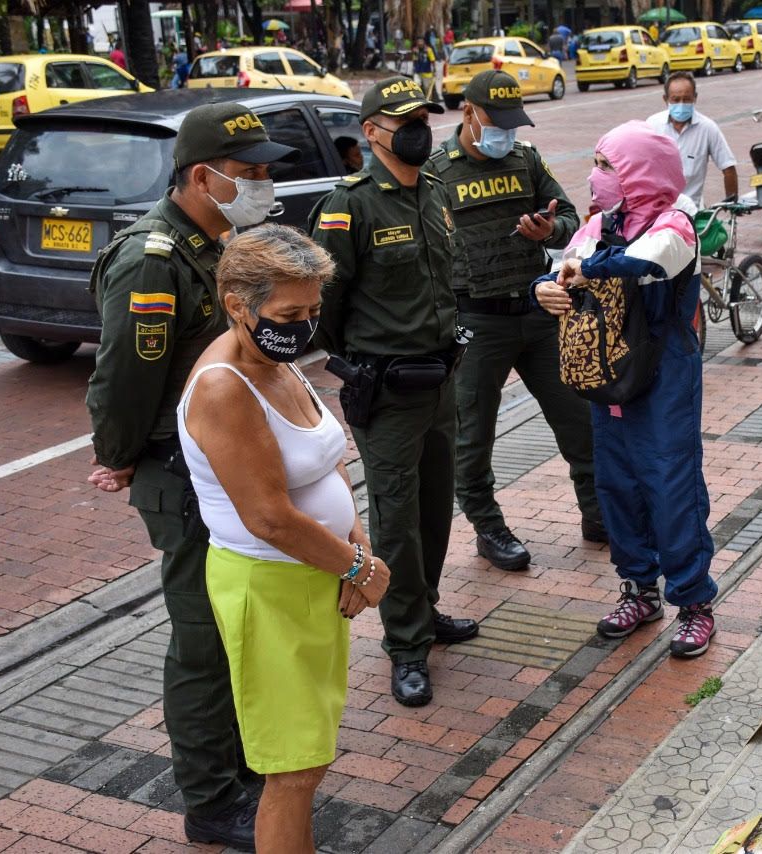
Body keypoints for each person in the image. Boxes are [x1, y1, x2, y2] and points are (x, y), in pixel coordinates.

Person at [86, 102, 300, 851]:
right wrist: (114, 453)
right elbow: (125, 377)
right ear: (202, 176)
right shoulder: (154, 257)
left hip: (227, 470)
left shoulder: (222, 243)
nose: (264, 184)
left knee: (239, 628)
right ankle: (211, 801)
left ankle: (241, 769)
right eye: (250, 174)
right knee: (204, 640)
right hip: (184, 477)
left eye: (268, 171)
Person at [177, 225, 391, 852]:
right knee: (293, 767)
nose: (303, 326)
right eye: (288, 313)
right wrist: (358, 568)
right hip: (270, 587)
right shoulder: (224, 386)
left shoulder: (278, 360)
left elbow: (329, 462)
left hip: (315, 574)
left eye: (313, 311)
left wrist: (357, 551)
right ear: (238, 304)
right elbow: (266, 515)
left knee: (311, 752)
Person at [308, 77, 478, 708]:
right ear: (372, 131)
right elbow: (322, 304)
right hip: (388, 393)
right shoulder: (349, 205)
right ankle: (405, 644)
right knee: (396, 523)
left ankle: (425, 612)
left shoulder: (433, 191)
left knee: (436, 511)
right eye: (403, 120)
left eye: (422, 118)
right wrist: (359, 362)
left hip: (442, 382)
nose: (418, 128)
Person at [531, 122, 718, 659]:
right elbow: (555, 269)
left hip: (664, 376)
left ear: (641, 171)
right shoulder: (600, 225)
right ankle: (639, 589)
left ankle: (694, 603)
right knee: (617, 484)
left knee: (671, 485)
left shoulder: (676, 223)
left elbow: (646, 261)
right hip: (606, 374)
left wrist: (580, 269)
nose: (597, 176)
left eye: (608, 165)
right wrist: (545, 290)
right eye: (596, 163)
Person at [425, 71, 598, 571]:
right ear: (469, 114)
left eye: (512, 124)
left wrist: (550, 230)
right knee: (472, 433)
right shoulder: (436, 172)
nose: (506, 134)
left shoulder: (526, 159)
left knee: (578, 419)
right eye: (496, 123)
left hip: (538, 310)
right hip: (477, 322)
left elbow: (569, 216)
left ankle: (597, 512)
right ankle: (488, 527)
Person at [646, 71, 738, 207]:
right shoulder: (652, 125)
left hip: (691, 211)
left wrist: (732, 205)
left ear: (695, 98)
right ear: (666, 99)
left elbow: (728, 168)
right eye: (676, 100)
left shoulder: (707, 128)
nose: (681, 104)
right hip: (656, 209)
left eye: (686, 99)